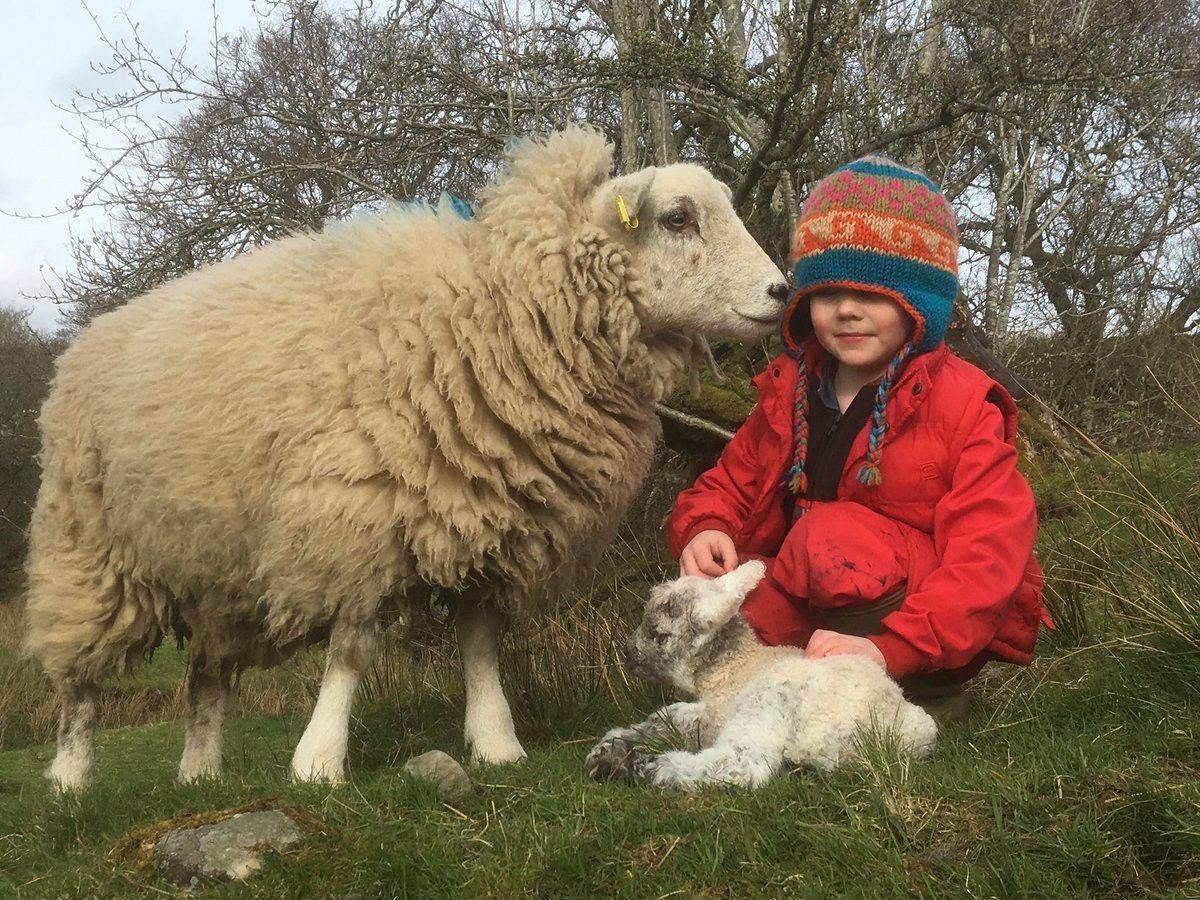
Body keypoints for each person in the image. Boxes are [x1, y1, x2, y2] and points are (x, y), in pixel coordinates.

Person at [667, 155, 1048, 713]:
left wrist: (890, 650)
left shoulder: (965, 404)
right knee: (707, 613)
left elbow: (988, 553)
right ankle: (793, 693)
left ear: (918, 303)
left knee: (829, 536)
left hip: (917, 621)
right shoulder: (790, 389)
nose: (845, 311)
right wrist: (705, 528)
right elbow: (726, 484)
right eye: (826, 294)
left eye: (870, 294)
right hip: (812, 593)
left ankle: (919, 691)